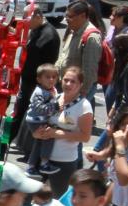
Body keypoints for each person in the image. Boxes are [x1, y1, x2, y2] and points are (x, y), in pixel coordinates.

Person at [32, 67, 93, 197]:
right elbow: (36, 122)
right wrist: (36, 133)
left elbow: (85, 137)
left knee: (58, 202)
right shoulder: (54, 98)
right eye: (66, 80)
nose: (68, 84)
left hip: (64, 163)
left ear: (80, 85)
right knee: (30, 199)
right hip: (41, 158)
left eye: (73, 81)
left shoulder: (84, 106)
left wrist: (57, 134)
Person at [12, 5, 60, 145]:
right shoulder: (35, 30)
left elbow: (47, 64)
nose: (26, 22)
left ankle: (7, 143)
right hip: (28, 79)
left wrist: (44, 83)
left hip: (37, 83)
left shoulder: (49, 36)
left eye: (28, 19)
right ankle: (18, 140)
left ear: (38, 17)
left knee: (27, 114)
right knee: (21, 112)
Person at [55, 0, 102, 112]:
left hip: (78, 91)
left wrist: (80, 95)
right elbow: (63, 56)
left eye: (70, 16)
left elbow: (89, 71)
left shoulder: (91, 37)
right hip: (66, 86)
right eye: (66, 15)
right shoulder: (72, 30)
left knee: (70, 123)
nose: (66, 19)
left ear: (83, 16)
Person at [25, 64, 62, 176]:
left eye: (54, 77)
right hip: (36, 120)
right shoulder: (39, 92)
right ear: (39, 79)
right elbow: (39, 108)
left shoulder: (50, 90)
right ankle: (44, 163)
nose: (51, 80)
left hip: (40, 119)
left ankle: (31, 166)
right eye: (47, 77)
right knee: (48, 136)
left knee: (39, 142)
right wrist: (55, 106)